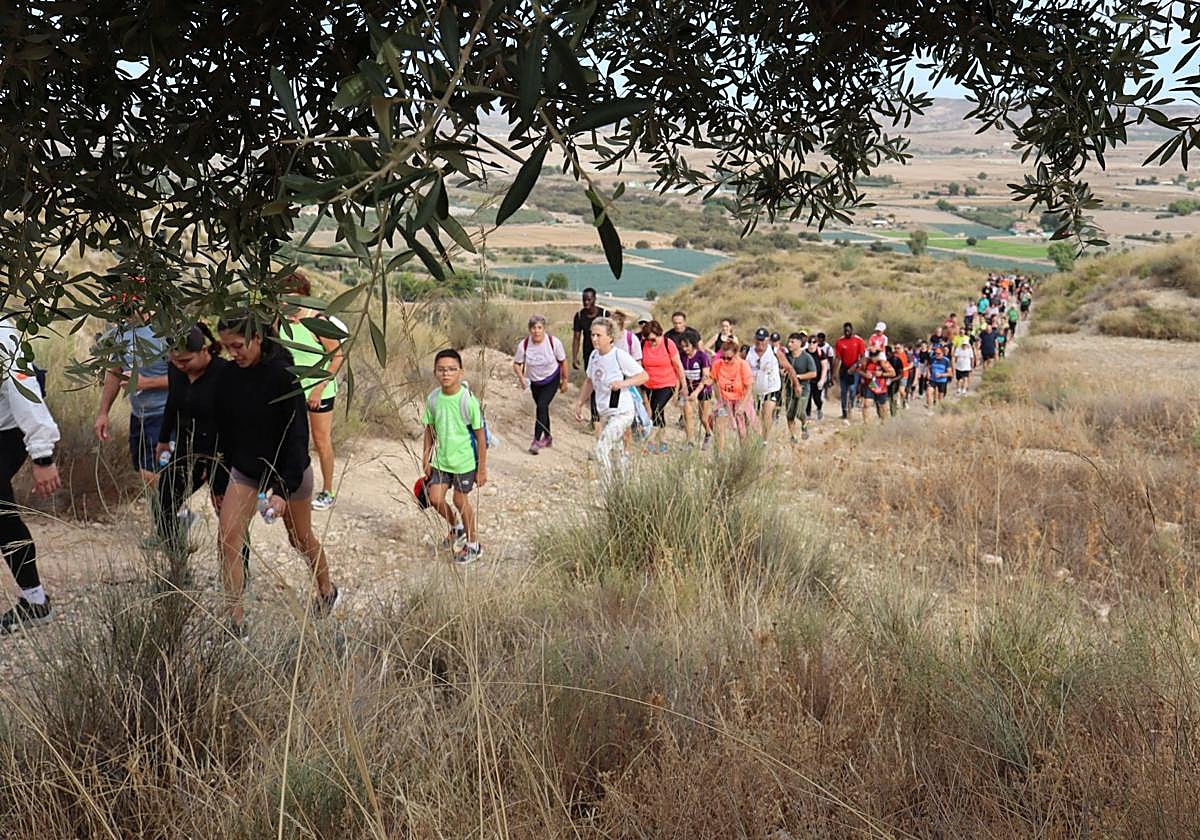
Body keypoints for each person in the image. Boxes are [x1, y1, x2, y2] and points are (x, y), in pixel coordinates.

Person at [214, 315, 340, 635]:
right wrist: (220, 475)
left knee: (300, 539)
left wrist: (283, 488)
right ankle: (236, 621)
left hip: (289, 471)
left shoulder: (283, 375)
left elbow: (297, 436)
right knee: (228, 540)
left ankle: (326, 589)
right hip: (246, 472)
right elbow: (223, 430)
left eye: (238, 346)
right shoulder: (228, 376)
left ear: (257, 339)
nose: (233, 354)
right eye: (226, 347)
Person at [154, 323, 245, 562]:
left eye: (186, 360)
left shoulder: (227, 373)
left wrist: (212, 468)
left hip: (222, 455)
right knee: (163, 501)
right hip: (186, 449)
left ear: (205, 350)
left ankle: (238, 576)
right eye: (175, 361)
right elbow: (172, 403)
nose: (180, 366)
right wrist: (163, 439)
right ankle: (176, 560)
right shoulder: (176, 371)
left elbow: (236, 423)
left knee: (229, 518)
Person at [0, 320, 62, 634]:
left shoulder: (3, 335)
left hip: (6, 434)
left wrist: (42, 456)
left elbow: (27, 394)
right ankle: (35, 600)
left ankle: (35, 601)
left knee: (2, 515)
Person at [281, 273, 346, 511]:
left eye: (292, 297)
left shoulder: (317, 321)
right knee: (290, 439)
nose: (286, 302)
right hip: (291, 391)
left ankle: (328, 491)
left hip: (319, 390)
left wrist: (318, 389)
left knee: (321, 440)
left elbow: (337, 356)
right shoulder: (280, 321)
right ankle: (290, 485)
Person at [422, 349, 488, 564]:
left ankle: (473, 544)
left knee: (460, 500)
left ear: (461, 372)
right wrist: (426, 456)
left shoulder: (467, 400)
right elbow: (429, 429)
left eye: (451, 369)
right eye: (441, 370)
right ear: (435, 372)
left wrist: (481, 468)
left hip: (464, 462)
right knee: (435, 498)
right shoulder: (433, 399)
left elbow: (480, 435)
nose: (446, 374)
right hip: (442, 460)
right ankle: (456, 527)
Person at [94, 305, 171, 485]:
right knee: (143, 472)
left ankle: (180, 513)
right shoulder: (120, 333)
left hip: (164, 414)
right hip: (139, 416)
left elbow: (186, 377)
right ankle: (169, 513)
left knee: (152, 474)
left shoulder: (165, 330)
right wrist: (103, 412)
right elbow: (115, 372)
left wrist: (147, 383)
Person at [574, 317, 647, 481]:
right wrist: (579, 403)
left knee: (601, 449)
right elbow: (590, 381)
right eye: (592, 335)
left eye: (598, 335)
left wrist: (622, 383)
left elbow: (643, 376)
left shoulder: (619, 356)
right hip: (607, 413)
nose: (594, 339)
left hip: (623, 412)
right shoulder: (594, 356)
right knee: (617, 453)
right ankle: (625, 487)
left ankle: (606, 491)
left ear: (610, 337)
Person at [512, 314, 568, 454]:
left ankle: (536, 440)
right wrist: (522, 379)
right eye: (533, 328)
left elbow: (563, 361)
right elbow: (517, 364)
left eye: (539, 328)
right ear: (529, 329)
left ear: (544, 329)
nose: (536, 331)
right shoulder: (524, 345)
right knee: (543, 408)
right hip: (535, 382)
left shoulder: (553, 342)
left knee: (542, 406)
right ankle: (548, 437)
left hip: (552, 379)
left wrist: (565, 380)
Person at [639, 320, 686, 453]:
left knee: (657, 409)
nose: (651, 342)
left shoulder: (668, 344)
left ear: (659, 334)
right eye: (648, 339)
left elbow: (678, 365)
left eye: (653, 339)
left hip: (668, 383)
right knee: (658, 413)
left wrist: (683, 385)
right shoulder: (644, 344)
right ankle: (663, 442)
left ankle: (650, 441)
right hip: (649, 384)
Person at [746, 327, 799, 443]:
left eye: (762, 340)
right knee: (753, 416)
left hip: (771, 388)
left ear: (767, 340)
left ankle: (765, 439)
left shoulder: (775, 353)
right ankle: (754, 437)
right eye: (758, 340)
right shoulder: (749, 352)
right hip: (754, 390)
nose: (760, 343)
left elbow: (789, 368)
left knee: (767, 413)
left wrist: (796, 385)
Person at [571, 288, 610, 428]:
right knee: (593, 384)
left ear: (595, 299)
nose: (586, 302)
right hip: (590, 356)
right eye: (584, 299)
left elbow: (612, 335)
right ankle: (595, 419)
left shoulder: (605, 315)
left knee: (607, 384)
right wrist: (574, 357)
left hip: (606, 354)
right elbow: (576, 337)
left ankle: (609, 417)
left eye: (589, 299)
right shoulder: (580, 316)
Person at [709, 340, 754, 452]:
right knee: (719, 426)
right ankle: (720, 454)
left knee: (742, 431)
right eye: (723, 357)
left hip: (741, 398)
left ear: (736, 354)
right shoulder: (718, 364)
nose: (725, 361)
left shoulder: (743, 365)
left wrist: (743, 406)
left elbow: (749, 387)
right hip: (725, 400)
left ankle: (745, 454)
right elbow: (712, 379)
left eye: (729, 358)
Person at [678, 334, 713, 449]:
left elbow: (706, 376)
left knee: (703, 417)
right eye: (682, 347)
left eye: (687, 346)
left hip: (703, 389)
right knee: (687, 415)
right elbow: (680, 374)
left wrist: (696, 392)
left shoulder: (702, 356)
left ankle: (708, 433)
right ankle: (690, 442)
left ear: (693, 345)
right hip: (687, 389)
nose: (685, 349)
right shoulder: (681, 356)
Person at [784, 333, 818, 443]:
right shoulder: (786, 357)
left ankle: (804, 423)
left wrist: (798, 377)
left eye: (792, 342)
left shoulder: (807, 357)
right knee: (790, 414)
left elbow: (813, 373)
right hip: (789, 389)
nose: (789, 344)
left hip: (803, 389)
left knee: (799, 411)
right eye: (789, 342)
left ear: (799, 343)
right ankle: (793, 437)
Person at [833, 322, 866, 421]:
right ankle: (844, 412)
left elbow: (863, 357)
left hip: (854, 369)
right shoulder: (840, 342)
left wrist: (856, 365)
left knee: (852, 390)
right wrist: (834, 373)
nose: (847, 332)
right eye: (845, 330)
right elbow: (838, 358)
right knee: (843, 391)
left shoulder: (858, 341)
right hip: (844, 368)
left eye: (848, 330)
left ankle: (851, 406)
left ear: (852, 330)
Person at [856, 350, 895, 424]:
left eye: (875, 357)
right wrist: (865, 375)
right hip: (871, 384)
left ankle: (883, 422)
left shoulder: (883, 363)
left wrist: (882, 374)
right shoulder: (866, 362)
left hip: (881, 386)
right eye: (872, 356)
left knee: (882, 406)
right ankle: (866, 423)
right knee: (866, 403)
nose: (873, 359)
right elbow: (859, 370)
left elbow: (893, 373)